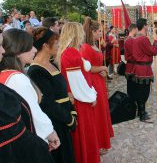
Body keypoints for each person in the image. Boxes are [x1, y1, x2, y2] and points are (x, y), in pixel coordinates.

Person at [0, 29, 60, 149]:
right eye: (29, 46)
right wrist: (50, 132)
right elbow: (33, 112)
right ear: (18, 51)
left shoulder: (6, 74)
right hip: (27, 141)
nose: (35, 49)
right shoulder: (17, 78)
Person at [27, 27, 76, 163]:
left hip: (63, 117)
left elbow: (61, 92)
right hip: (55, 122)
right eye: (56, 43)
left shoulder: (52, 63)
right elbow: (47, 104)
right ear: (45, 46)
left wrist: (71, 109)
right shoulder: (36, 71)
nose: (59, 46)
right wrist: (69, 119)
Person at [56, 22, 100, 163]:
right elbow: (77, 83)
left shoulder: (68, 51)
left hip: (77, 99)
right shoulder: (71, 53)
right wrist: (91, 95)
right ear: (76, 34)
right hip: (80, 101)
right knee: (84, 134)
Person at [81, 17, 114, 154]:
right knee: (97, 114)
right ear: (93, 32)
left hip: (99, 81)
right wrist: (103, 69)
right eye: (99, 31)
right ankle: (97, 143)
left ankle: (101, 141)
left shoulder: (95, 45)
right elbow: (86, 67)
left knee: (102, 111)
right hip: (93, 82)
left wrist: (102, 70)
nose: (101, 33)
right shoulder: (86, 47)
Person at [131, 18, 157, 122]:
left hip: (139, 68)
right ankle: (142, 114)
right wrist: (156, 40)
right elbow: (153, 51)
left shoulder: (136, 38)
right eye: (147, 25)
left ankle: (140, 112)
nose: (147, 27)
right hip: (143, 69)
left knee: (141, 90)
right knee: (144, 92)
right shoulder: (143, 39)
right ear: (144, 26)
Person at [124, 24, 138, 99]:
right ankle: (131, 105)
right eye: (136, 29)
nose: (137, 31)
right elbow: (135, 54)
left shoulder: (130, 39)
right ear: (133, 29)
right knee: (132, 89)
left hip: (131, 66)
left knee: (132, 88)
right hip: (131, 67)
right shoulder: (130, 40)